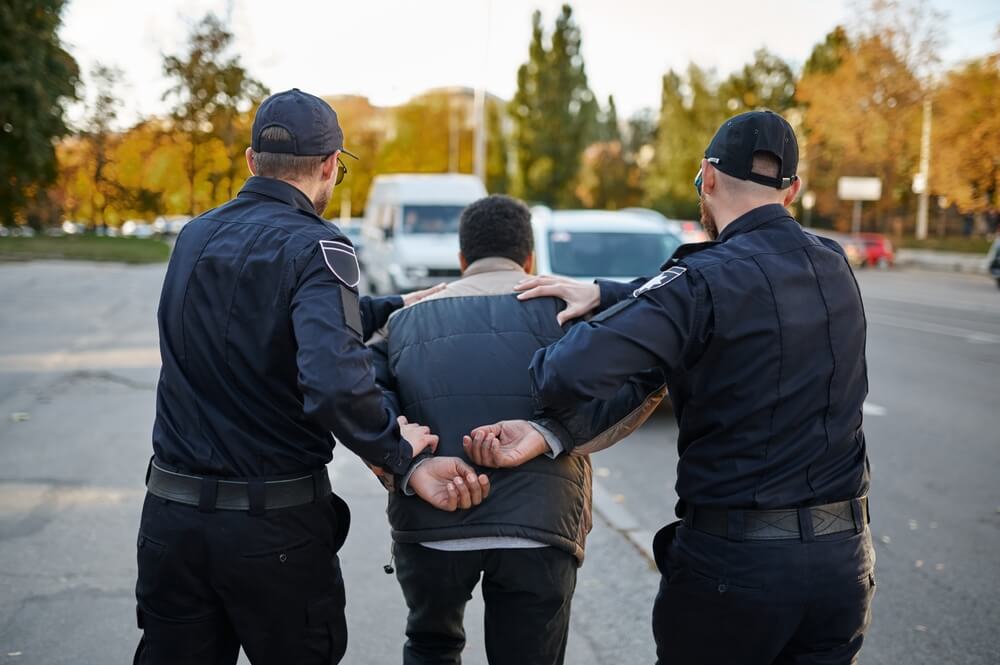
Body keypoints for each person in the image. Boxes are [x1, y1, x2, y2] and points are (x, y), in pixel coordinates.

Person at [467, 110, 876, 665]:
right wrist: (609, 291)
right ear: (793, 190)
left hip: (738, 570)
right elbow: (732, 288)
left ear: (706, 178)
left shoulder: (700, 281)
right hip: (843, 565)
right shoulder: (831, 261)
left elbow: (563, 374)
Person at [134, 88, 489, 665]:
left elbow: (253, 323)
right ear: (329, 166)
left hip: (170, 522)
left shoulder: (194, 236)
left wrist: (390, 304)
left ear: (253, 162)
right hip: (270, 530)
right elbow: (331, 380)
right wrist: (398, 454)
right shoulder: (318, 244)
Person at [369, 195, 664, 665]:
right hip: (540, 525)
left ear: (463, 259)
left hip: (430, 523)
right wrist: (551, 433)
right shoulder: (571, 315)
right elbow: (640, 379)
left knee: (431, 645)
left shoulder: (401, 322)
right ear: (528, 259)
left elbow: (364, 402)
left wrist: (407, 467)